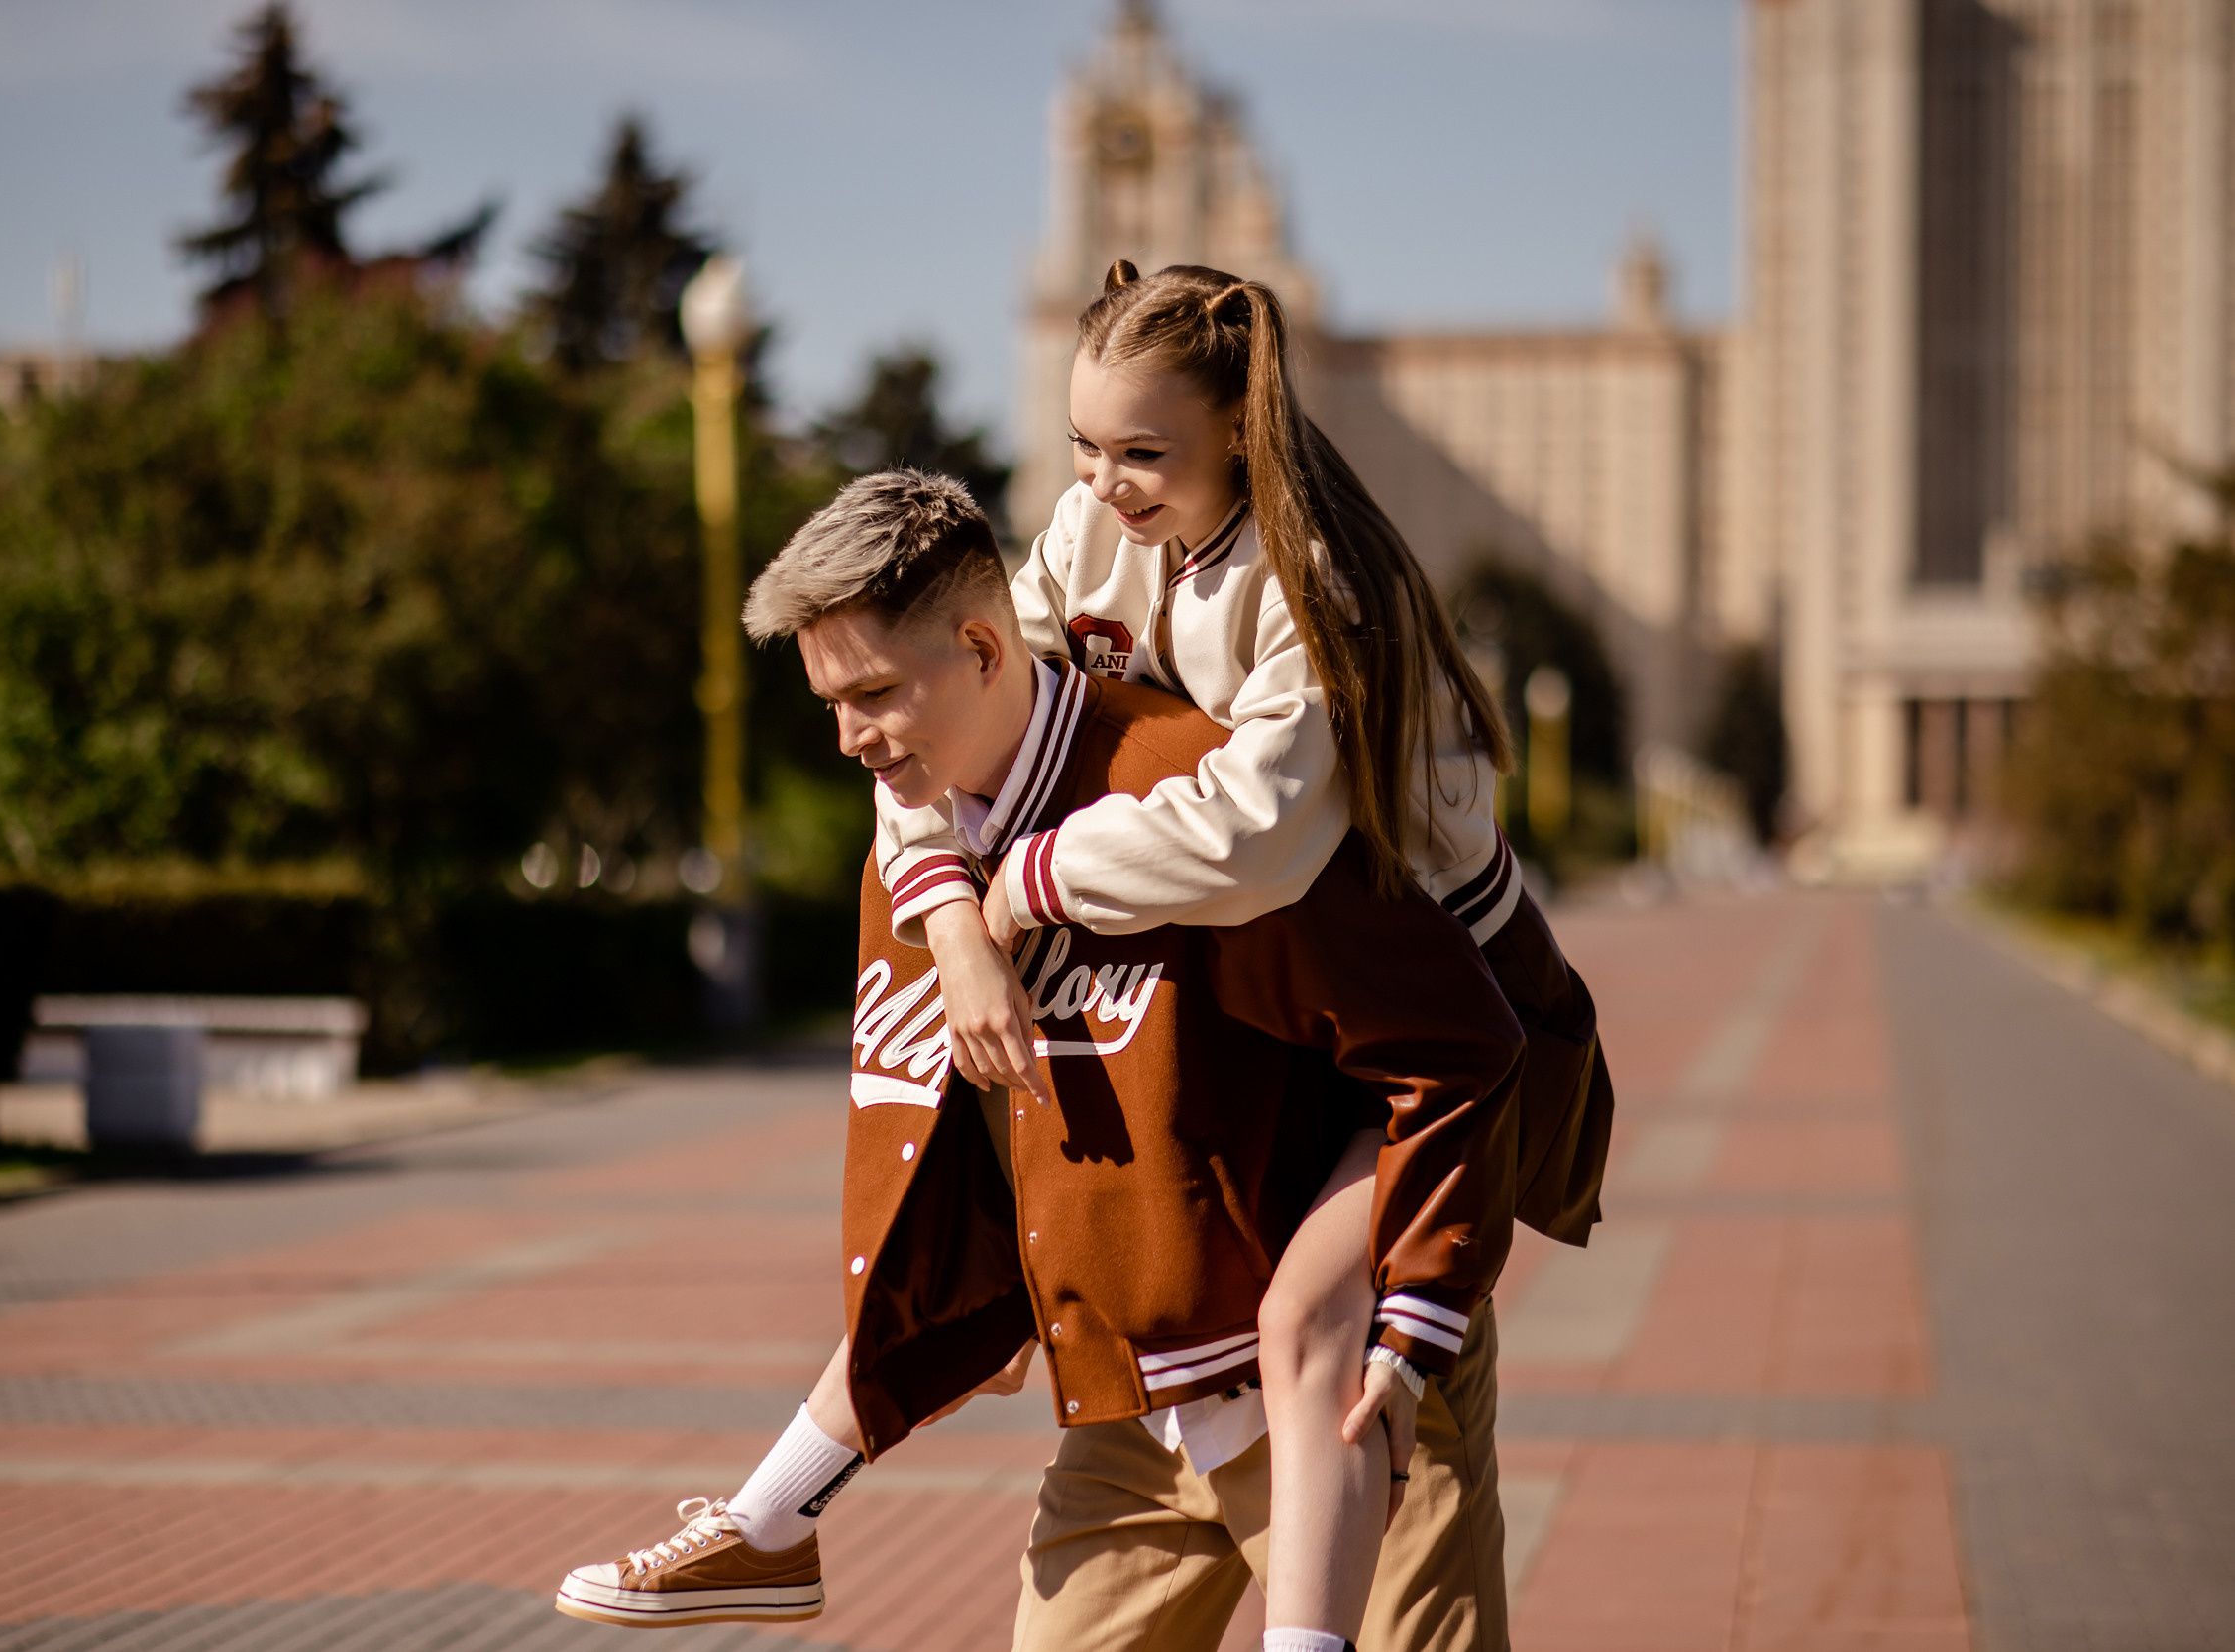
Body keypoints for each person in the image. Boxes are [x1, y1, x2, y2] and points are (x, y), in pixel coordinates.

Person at [555, 472, 1531, 1652]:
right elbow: (963, 1208)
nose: (850, 739)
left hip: (1346, 1399)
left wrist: (1408, 1312)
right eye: (829, 700)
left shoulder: (1197, 803)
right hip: (1133, 1413)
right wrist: (787, 1496)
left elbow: (1461, 1038)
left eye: (872, 693)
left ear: (981, 645)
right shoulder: (919, 854)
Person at [874, 263, 1615, 1652]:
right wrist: (948, 919)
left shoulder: (1313, 586)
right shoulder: (1094, 535)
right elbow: (942, 701)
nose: (1104, 483)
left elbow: (1252, 840)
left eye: (1143, 452)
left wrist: (1023, 879)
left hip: (1414, 1062)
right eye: (1085, 446)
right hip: (1229, 1108)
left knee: (1367, 1408)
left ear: (1242, 429)